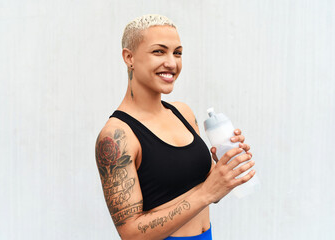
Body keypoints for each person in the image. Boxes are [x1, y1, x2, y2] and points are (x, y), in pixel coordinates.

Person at [95, 14, 255, 240]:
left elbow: (211, 192)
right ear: (129, 57)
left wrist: (225, 168)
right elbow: (131, 234)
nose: (172, 63)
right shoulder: (117, 135)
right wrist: (207, 193)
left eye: (177, 52)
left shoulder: (184, 114)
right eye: (158, 51)